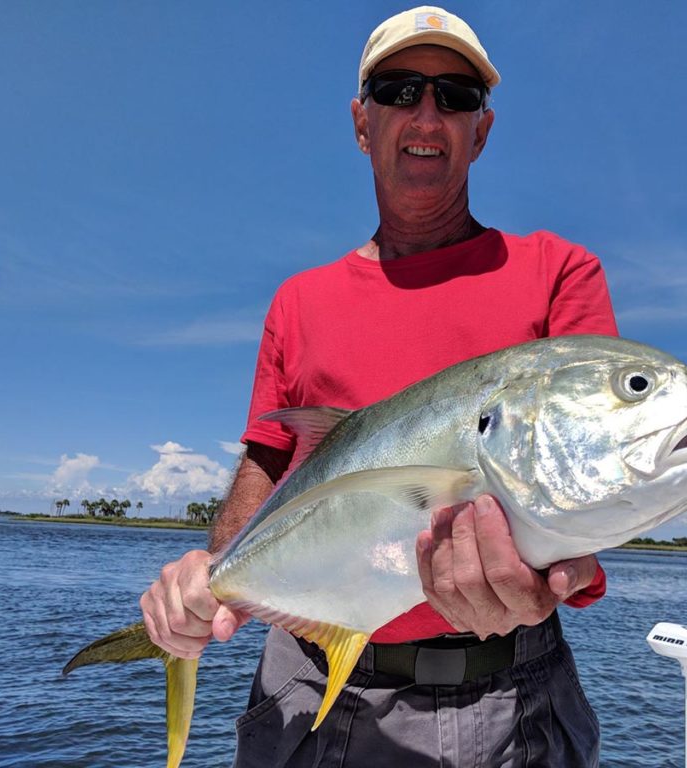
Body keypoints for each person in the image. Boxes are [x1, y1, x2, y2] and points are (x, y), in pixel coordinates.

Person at [141, 7, 617, 766]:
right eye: (399, 90)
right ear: (362, 124)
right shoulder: (298, 301)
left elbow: (593, 474)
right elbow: (270, 464)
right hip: (307, 690)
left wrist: (573, 570)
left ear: (481, 131)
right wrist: (210, 582)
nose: (426, 114)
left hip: (510, 699)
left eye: (455, 96)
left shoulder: (559, 272)